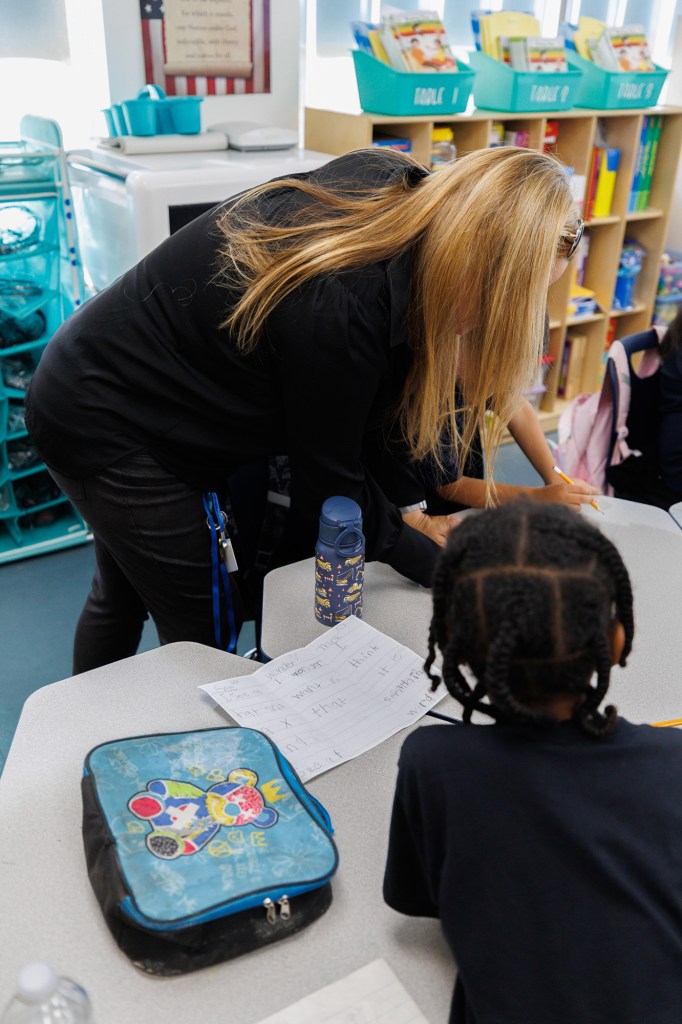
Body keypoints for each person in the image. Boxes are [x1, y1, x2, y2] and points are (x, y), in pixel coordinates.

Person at [25, 145, 593, 673]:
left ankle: (92, 729)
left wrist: (413, 525)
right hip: (111, 419)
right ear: (475, 260)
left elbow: (355, 417)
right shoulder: (344, 299)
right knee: (201, 635)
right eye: (495, 303)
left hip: (104, 369)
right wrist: (441, 568)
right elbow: (332, 483)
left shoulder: (397, 187)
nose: (480, 324)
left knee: (121, 590)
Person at [383, 501, 682, 1023]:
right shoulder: (672, 762)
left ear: (455, 644)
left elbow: (414, 899)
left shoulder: (432, 763)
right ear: (615, 640)